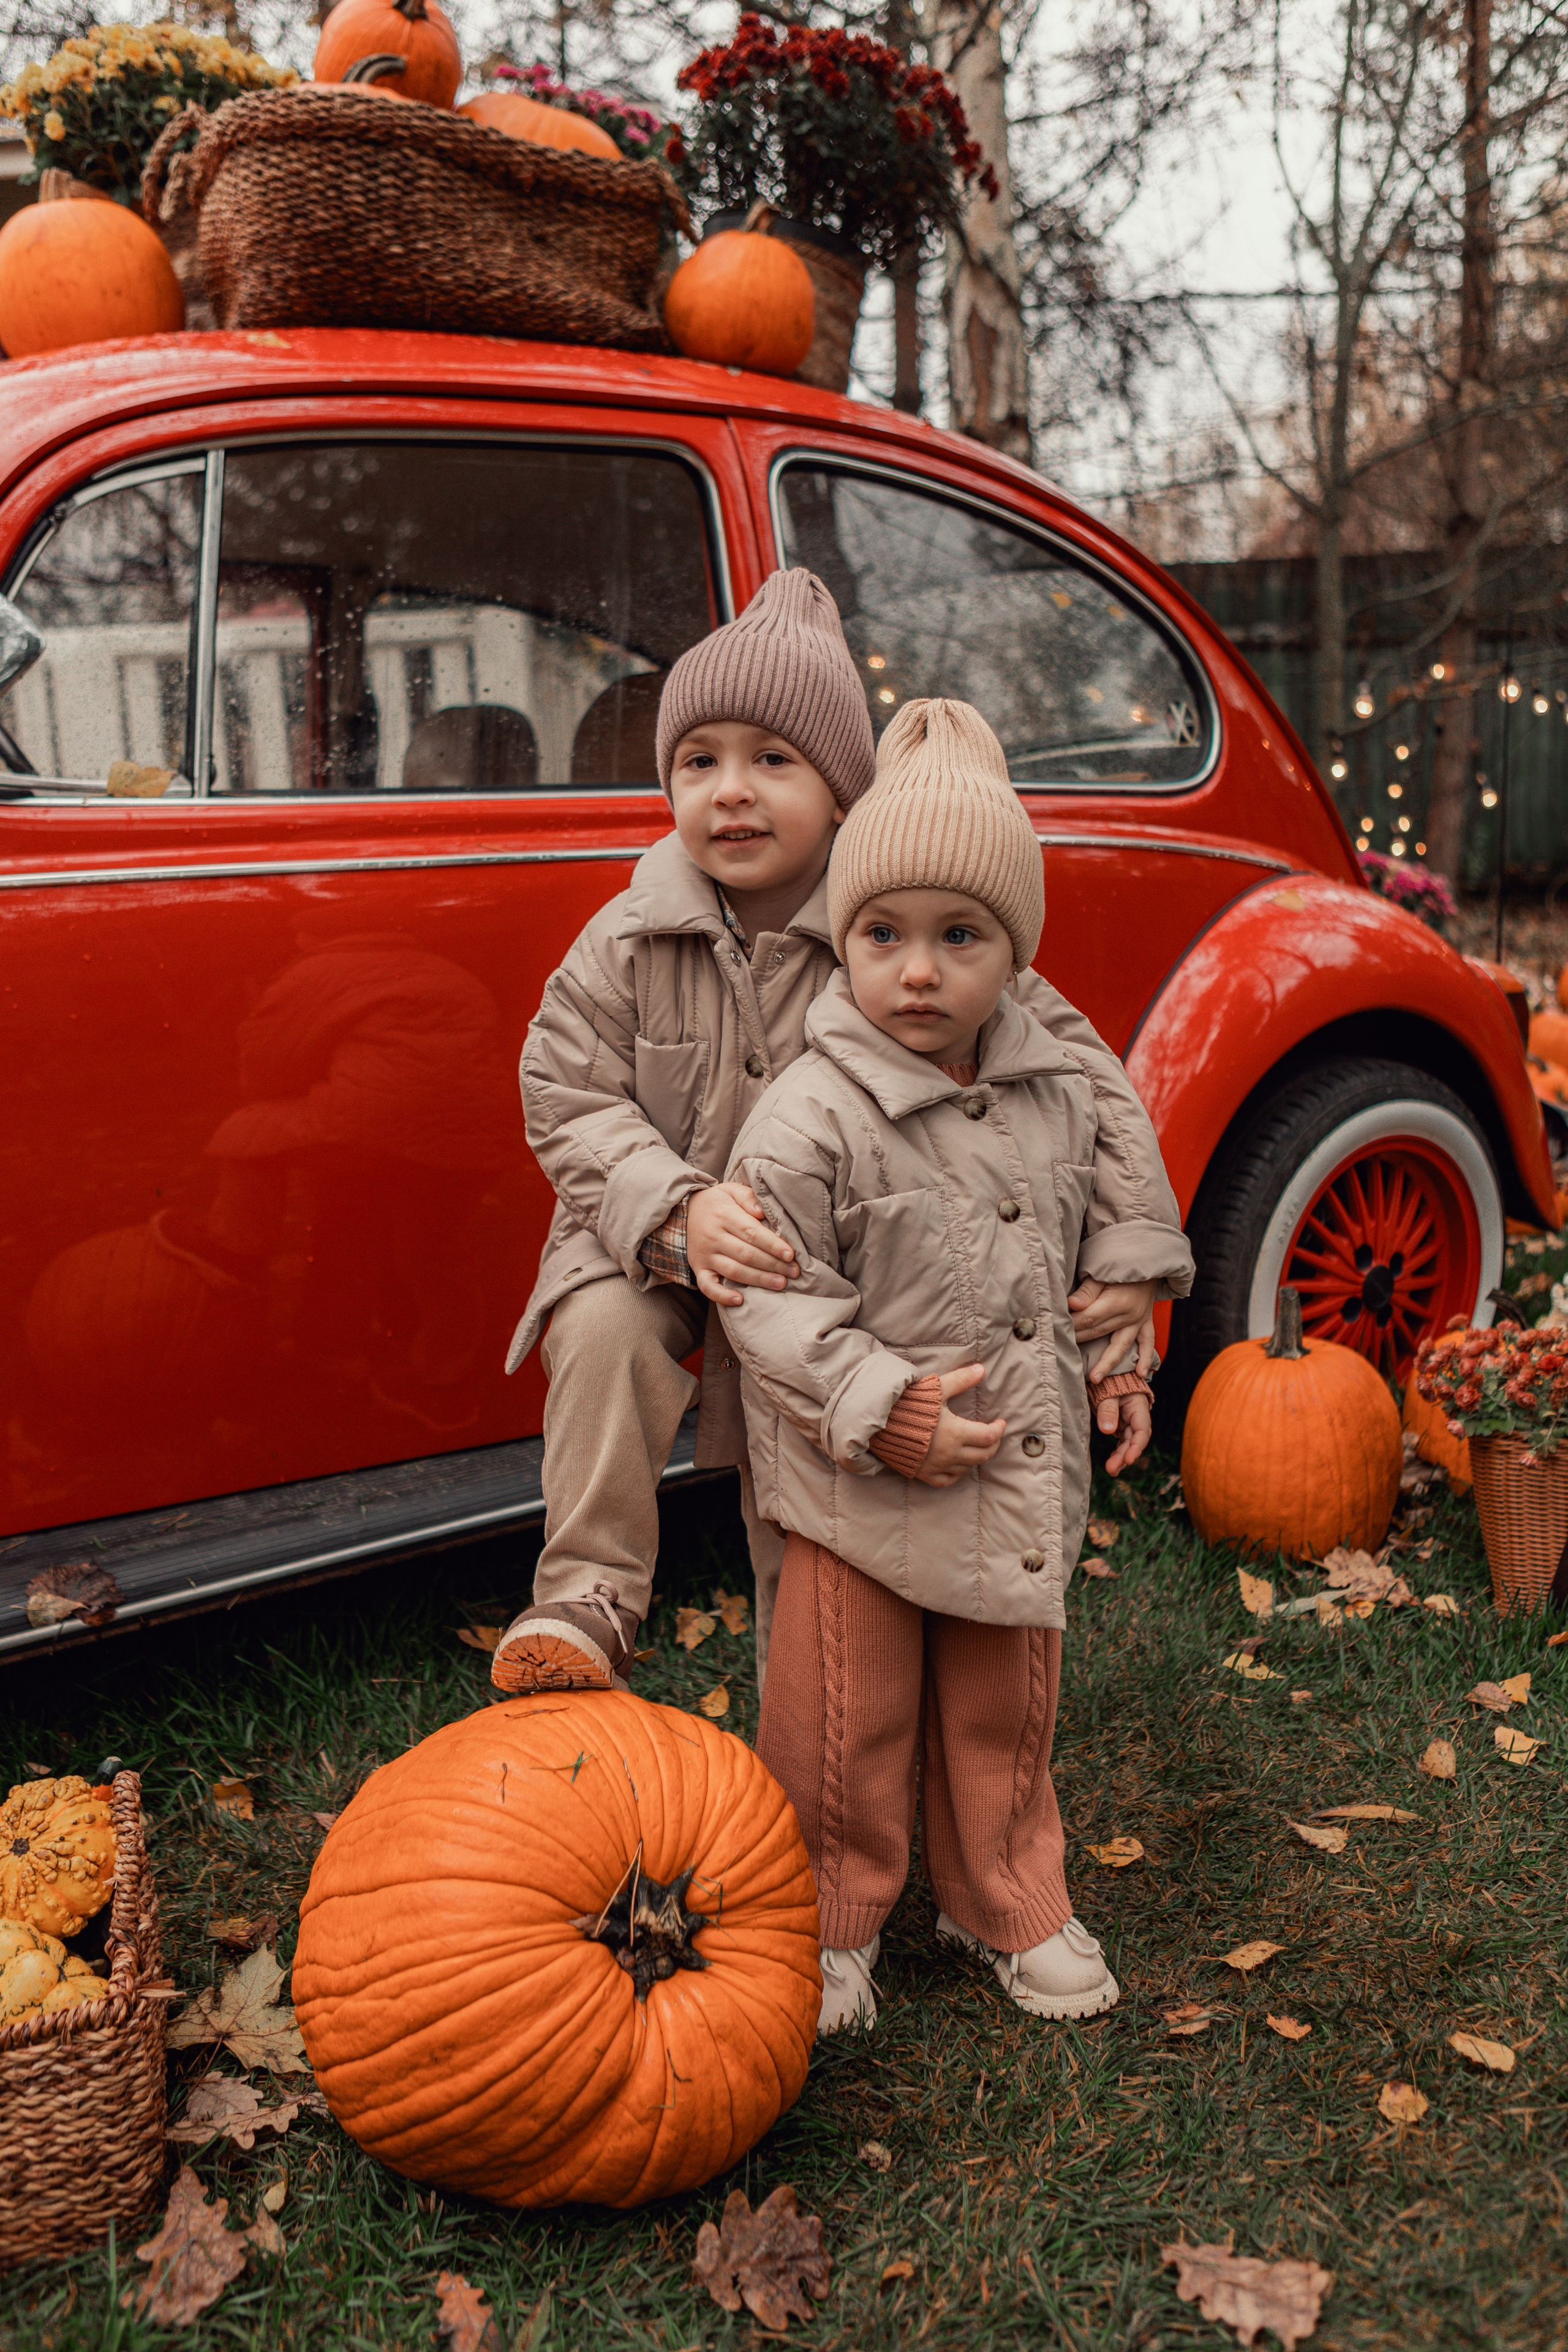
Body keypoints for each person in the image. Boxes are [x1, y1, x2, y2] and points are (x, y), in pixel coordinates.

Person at [717, 698, 1195, 2030]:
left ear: (1015, 961)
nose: (916, 971)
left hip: (1004, 1470)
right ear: (844, 941)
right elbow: (767, 1300)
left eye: (958, 938)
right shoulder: (808, 1110)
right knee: (840, 1724)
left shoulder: (1054, 1087)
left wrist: (1119, 1360)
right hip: (854, 1478)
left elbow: (1096, 1247)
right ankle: (828, 1917)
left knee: (1001, 1714)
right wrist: (875, 1403)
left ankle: (1003, 1897)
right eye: (883, 935)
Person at [488, 568, 878, 1695]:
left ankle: (809, 1669)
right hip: (648, 1232)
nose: (731, 792)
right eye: (700, 761)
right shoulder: (629, 935)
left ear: (842, 792)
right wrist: (672, 1208)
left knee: (803, 1416)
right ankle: (589, 1598)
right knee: (603, 1329)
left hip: (815, 1259)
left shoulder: (873, 934)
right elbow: (564, 1090)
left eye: (774, 760)